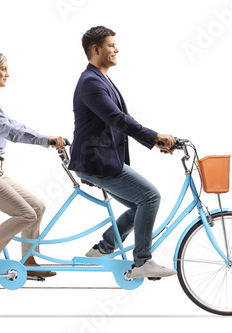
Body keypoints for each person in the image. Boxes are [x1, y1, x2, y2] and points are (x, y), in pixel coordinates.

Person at [68, 26, 177, 278]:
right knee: (150, 197)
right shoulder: (90, 83)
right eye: (111, 45)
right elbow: (117, 119)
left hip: (106, 159)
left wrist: (157, 142)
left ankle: (104, 247)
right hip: (96, 161)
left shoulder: (100, 79)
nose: (117, 49)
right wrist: (154, 136)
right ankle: (142, 262)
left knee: (143, 204)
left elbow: (121, 119)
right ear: (96, 49)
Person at [0, 51, 66, 279]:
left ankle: (28, 260)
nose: (8, 74)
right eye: (4, 69)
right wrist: (45, 140)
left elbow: (14, 124)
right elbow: (7, 131)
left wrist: (47, 138)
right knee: (26, 214)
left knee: (36, 207)